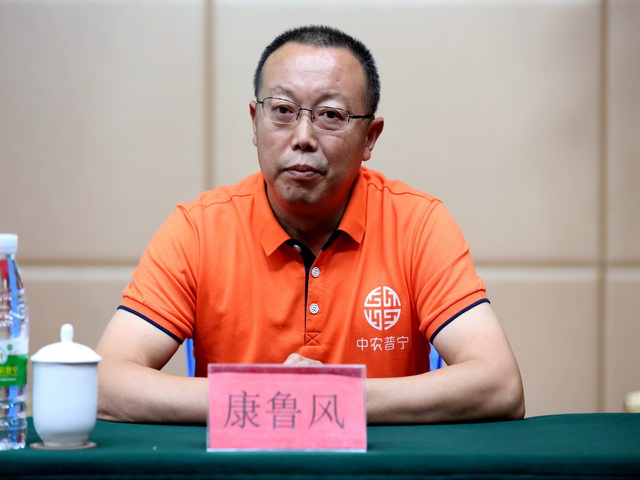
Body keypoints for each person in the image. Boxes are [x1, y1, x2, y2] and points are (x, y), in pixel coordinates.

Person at [96, 25, 525, 425]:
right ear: (255, 122)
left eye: (330, 115)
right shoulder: (199, 230)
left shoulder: (417, 224)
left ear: (370, 138)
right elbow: (104, 383)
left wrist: (335, 396)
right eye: (282, 110)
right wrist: (265, 397)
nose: (303, 136)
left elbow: (500, 385)